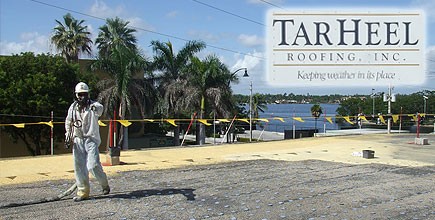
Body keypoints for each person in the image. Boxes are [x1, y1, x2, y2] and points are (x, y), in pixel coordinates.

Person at [65, 82, 110, 202]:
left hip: (91, 140)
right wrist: (68, 136)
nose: (82, 97)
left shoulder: (94, 106)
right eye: (80, 95)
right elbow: (69, 122)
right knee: (79, 167)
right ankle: (83, 191)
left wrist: (94, 107)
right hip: (78, 139)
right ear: (76, 95)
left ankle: (104, 184)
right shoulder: (73, 108)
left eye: (84, 94)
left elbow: (100, 109)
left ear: (88, 94)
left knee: (93, 165)